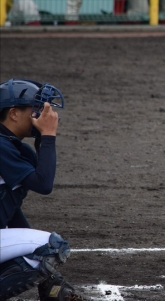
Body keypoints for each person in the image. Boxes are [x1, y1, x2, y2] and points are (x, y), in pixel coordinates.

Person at [0, 79, 87, 301]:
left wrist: (50, 277)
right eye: (36, 108)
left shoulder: (14, 147)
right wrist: (48, 136)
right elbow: (44, 184)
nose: (43, 114)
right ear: (13, 113)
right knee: (51, 247)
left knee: (38, 249)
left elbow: (11, 210)